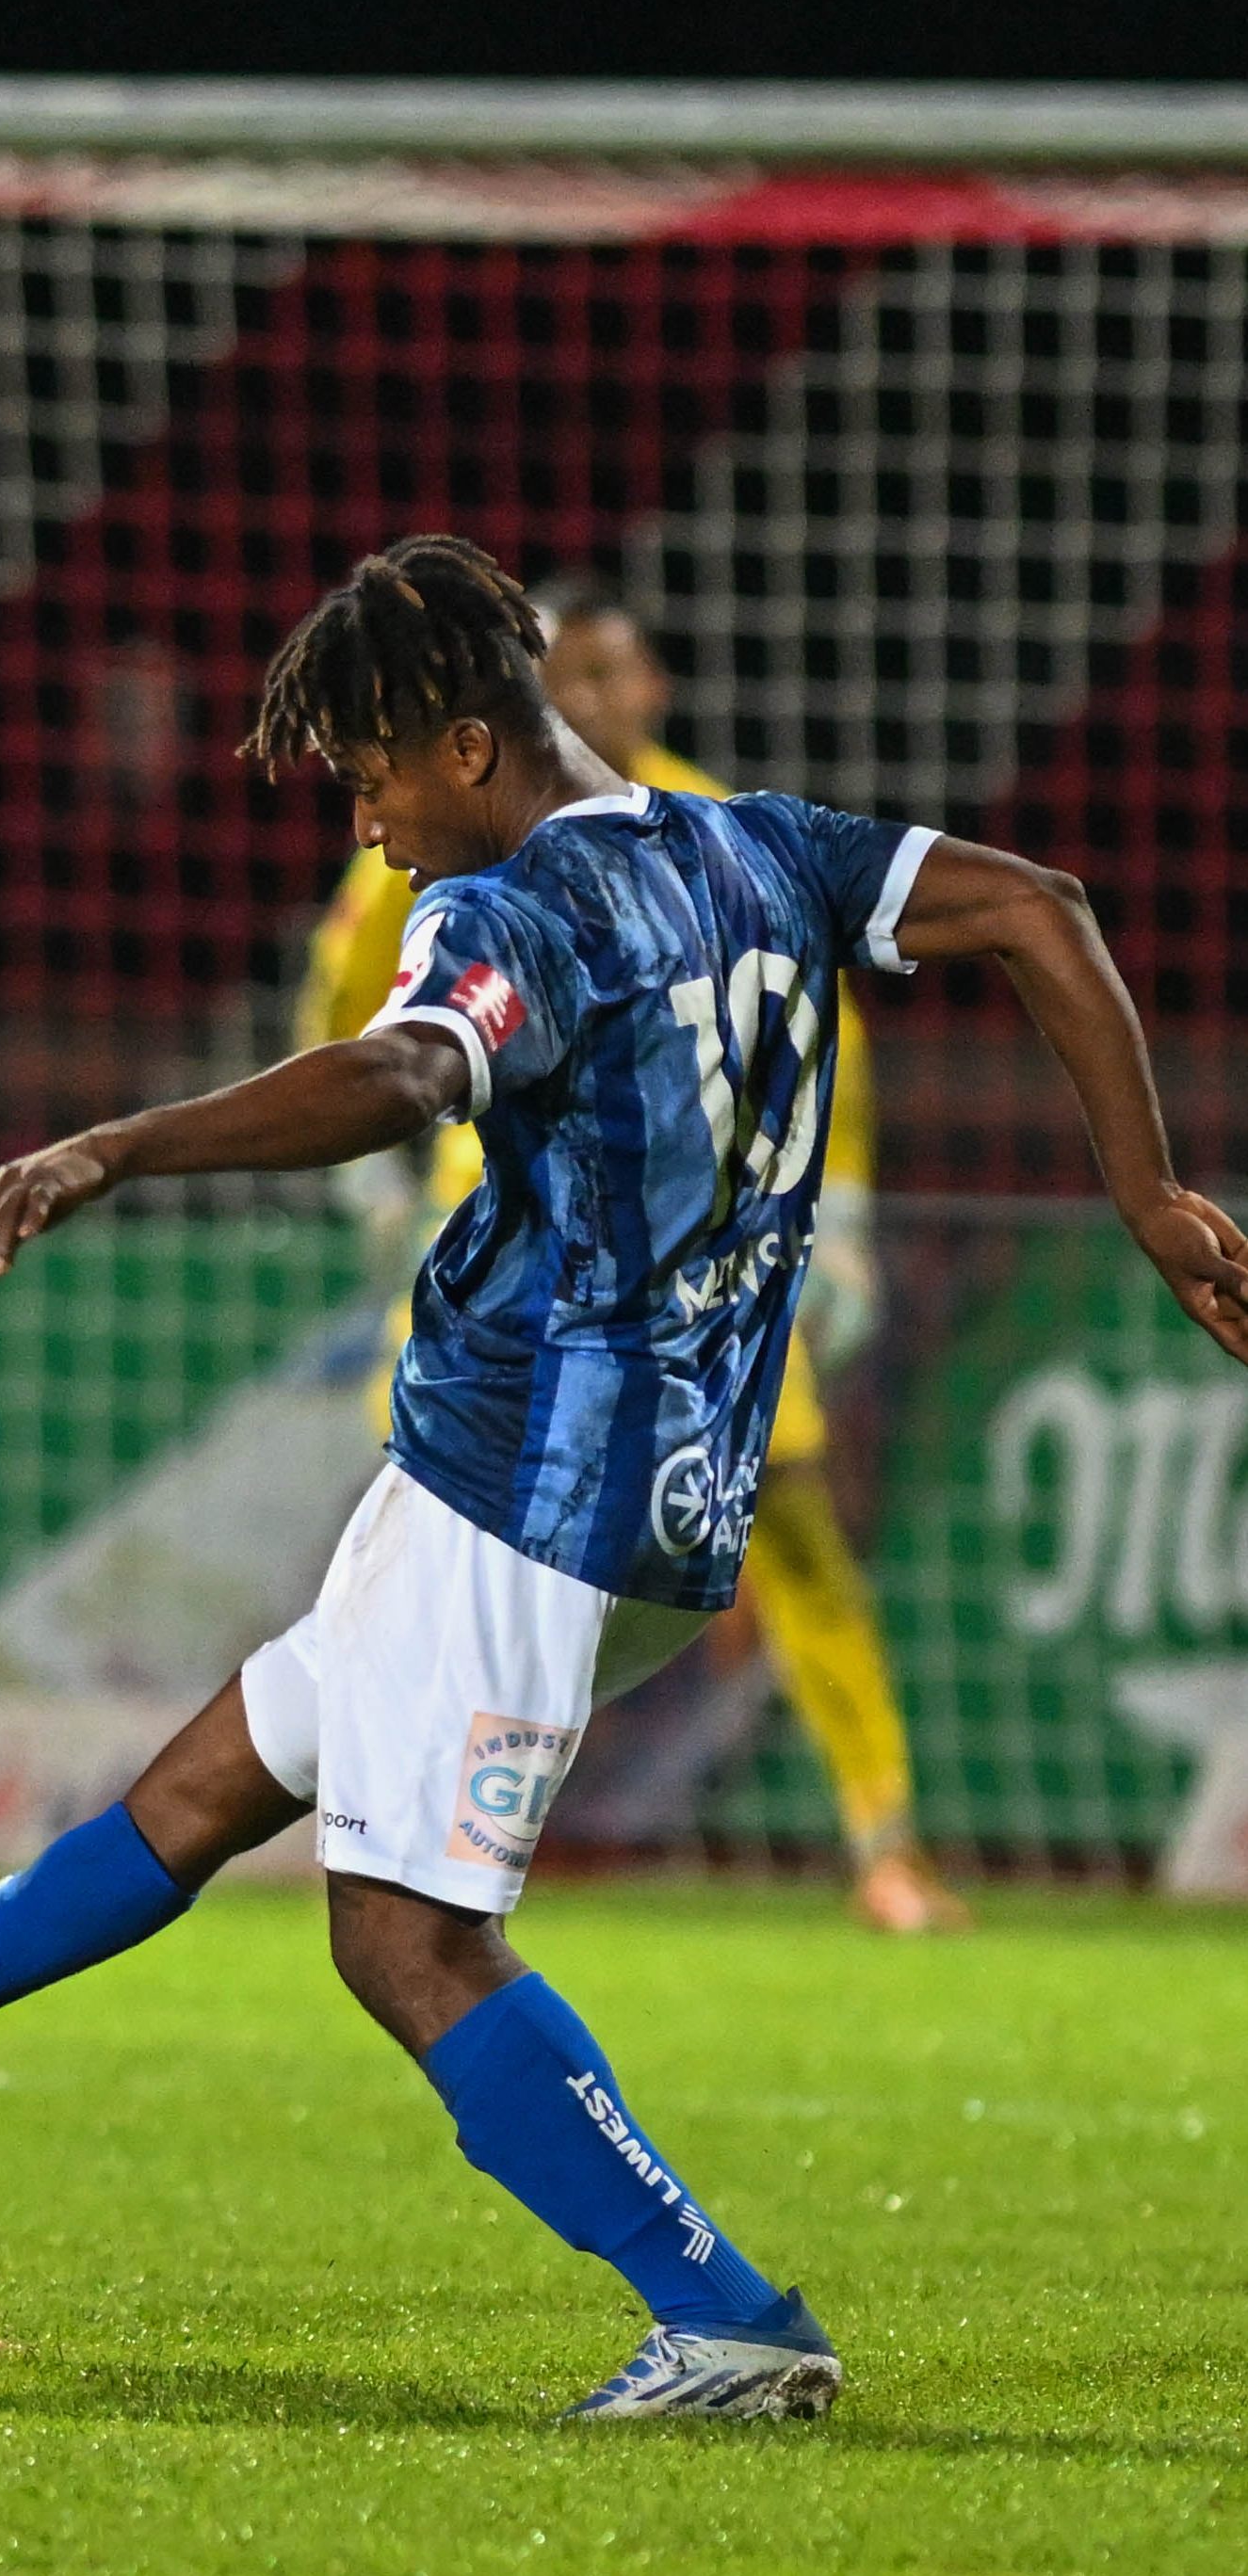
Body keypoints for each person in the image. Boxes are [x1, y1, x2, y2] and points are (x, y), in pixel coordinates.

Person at [0, 538, 1248, 2418]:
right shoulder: (758, 847)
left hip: (530, 1482)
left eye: (369, 776)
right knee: (203, 1784)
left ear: (464, 740)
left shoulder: (519, 909)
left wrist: (117, 1143)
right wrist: (1153, 1191)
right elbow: (1039, 906)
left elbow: (409, 1070)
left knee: (405, 1934)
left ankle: (728, 2314)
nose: (365, 824)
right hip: (658, 1500)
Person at [290, 576, 963, 1933]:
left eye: (609, 675)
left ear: (650, 689)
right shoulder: (437, 835)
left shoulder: (718, 831)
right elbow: (345, 1002)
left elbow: (820, 1021)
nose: (588, 699)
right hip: (506, 1254)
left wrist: (844, 1213)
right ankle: (402, 1826)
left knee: (796, 1522)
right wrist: (369, 1172)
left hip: (705, 1250)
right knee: (448, 1533)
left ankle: (885, 1844)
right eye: (562, 676)